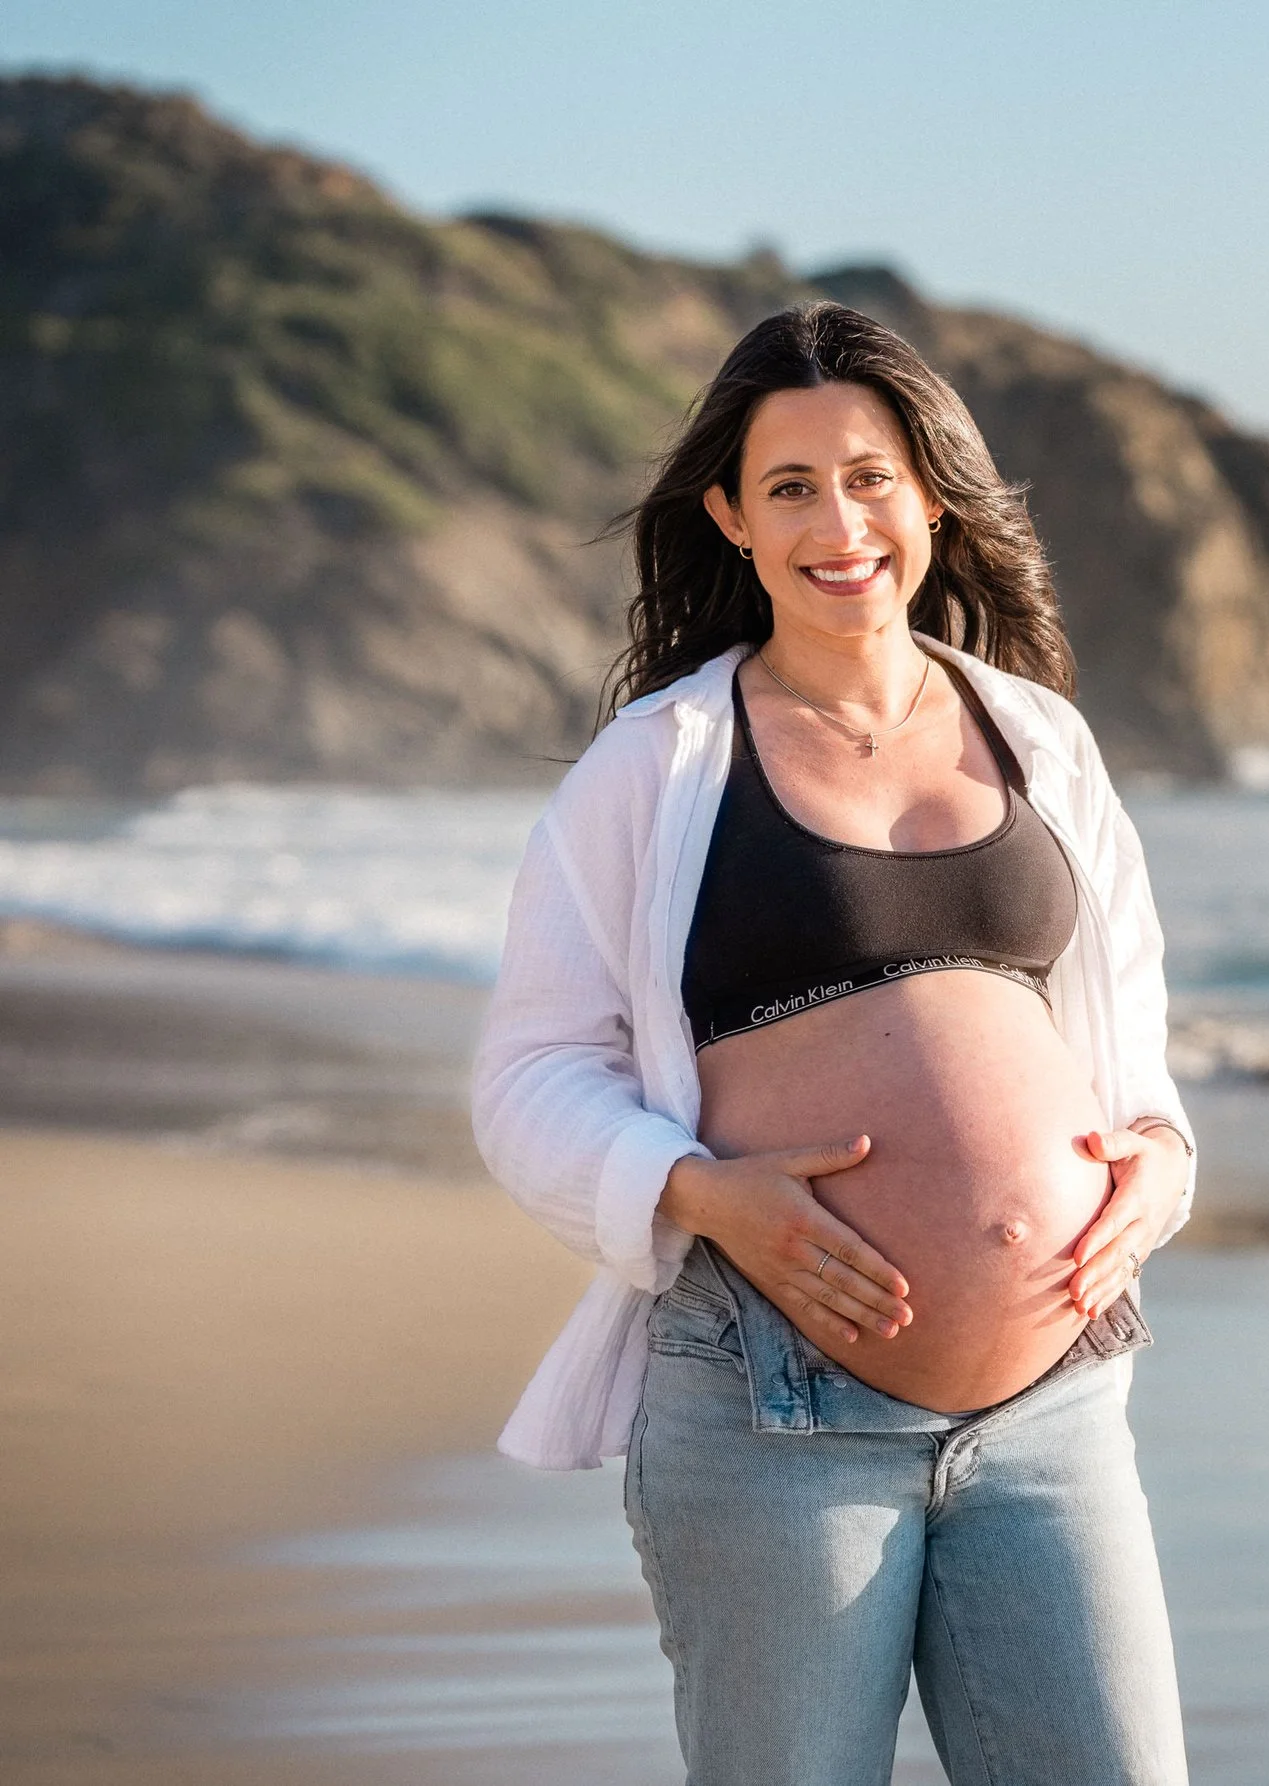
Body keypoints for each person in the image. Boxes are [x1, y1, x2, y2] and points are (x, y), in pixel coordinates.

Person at [471, 300, 1197, 1785]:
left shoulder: (1041, 739)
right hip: (771, 1404)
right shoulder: (658, 766)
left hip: (1055, 1403)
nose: (837, 520)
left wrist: (1158, 1173)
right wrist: (699, 1190)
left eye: (869, 476)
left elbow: (1136, 1058)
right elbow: (530, 1073)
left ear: (931, 493)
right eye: (790, 485)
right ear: (731, 515)